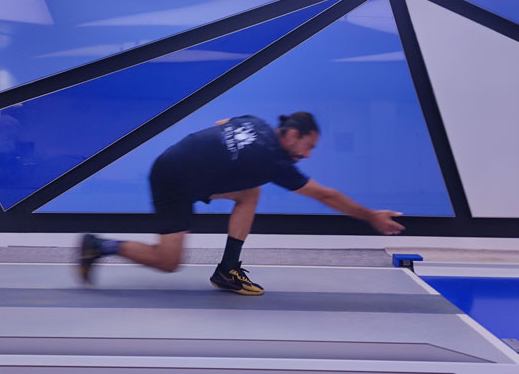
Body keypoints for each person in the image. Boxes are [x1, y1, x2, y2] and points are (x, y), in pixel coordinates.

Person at [80, 112, 405, 295]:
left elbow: (222, 124)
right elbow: (326, 195)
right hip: (173, 180)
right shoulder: (272, 160)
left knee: (250, 192)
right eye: (308, 146)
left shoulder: (256, 123)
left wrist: (212, 163)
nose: (307, 155)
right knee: (168, 261)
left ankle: (227, 270)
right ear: (292, 134)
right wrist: (370, 216)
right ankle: (99, 246)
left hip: (184, 167)